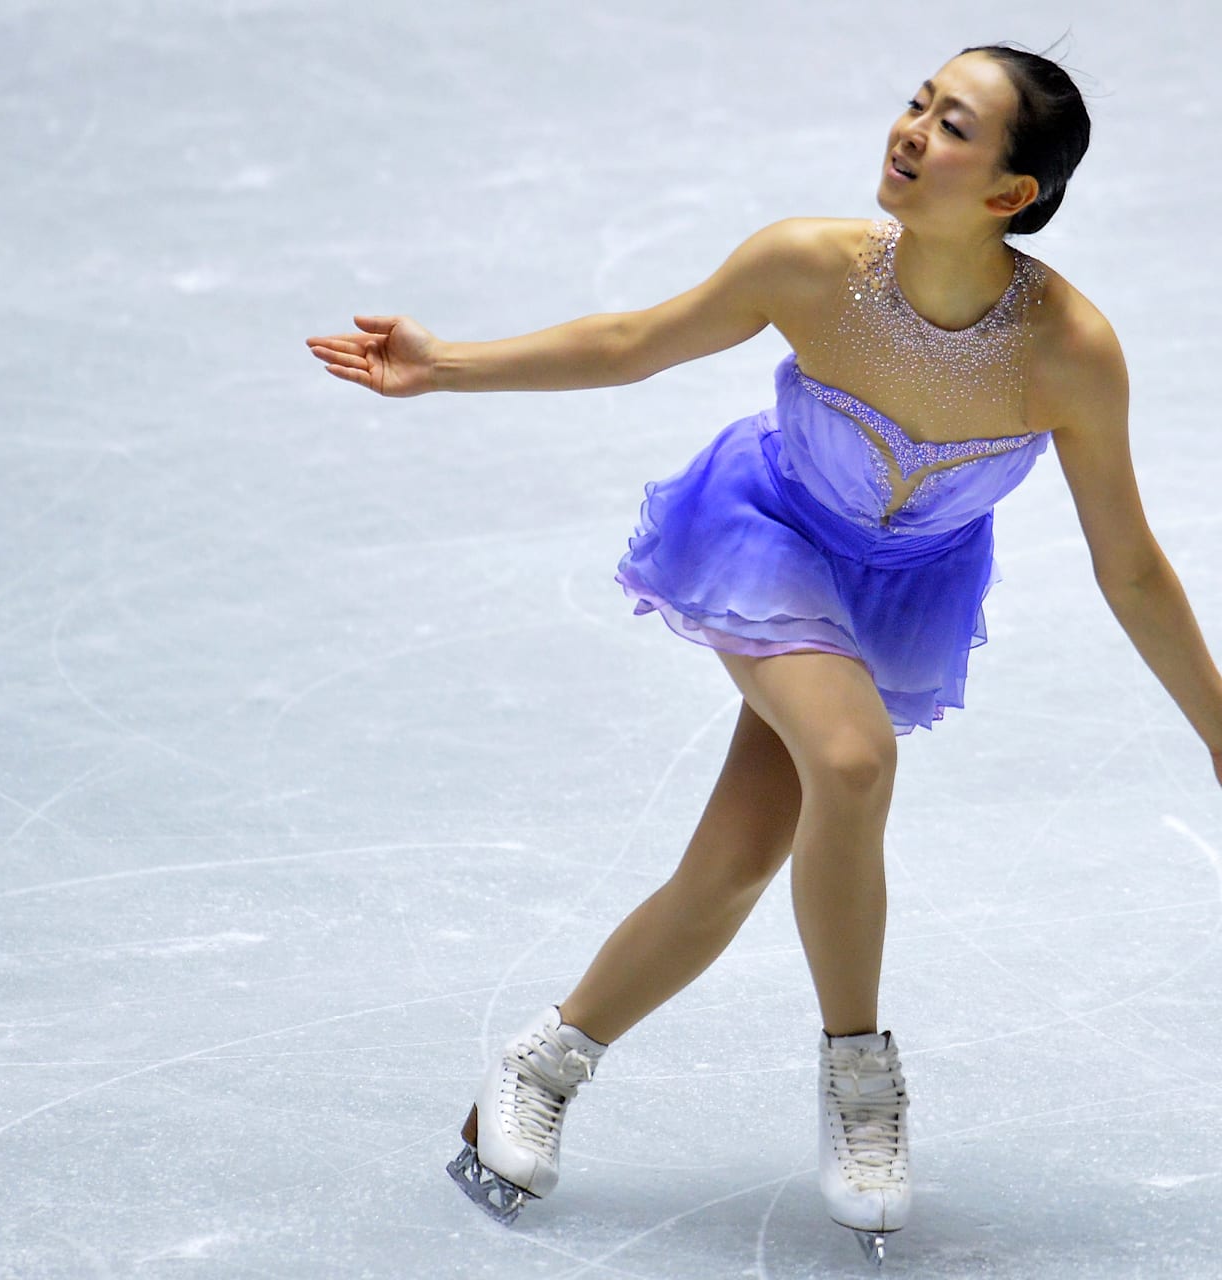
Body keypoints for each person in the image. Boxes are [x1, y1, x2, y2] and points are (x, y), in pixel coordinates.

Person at [307, 44, 1222, 1263]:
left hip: (894, 598)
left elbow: (1129, 566)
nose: (908, 130)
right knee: (850, 759)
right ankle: (860, 1080)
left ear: (1011, 193)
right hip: (766, 535)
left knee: (729, 870)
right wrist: (444, 367)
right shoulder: (812, 265)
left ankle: (541, 1061)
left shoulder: (1067, 351)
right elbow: (636, 338)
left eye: (950, 126)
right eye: (914, 102)